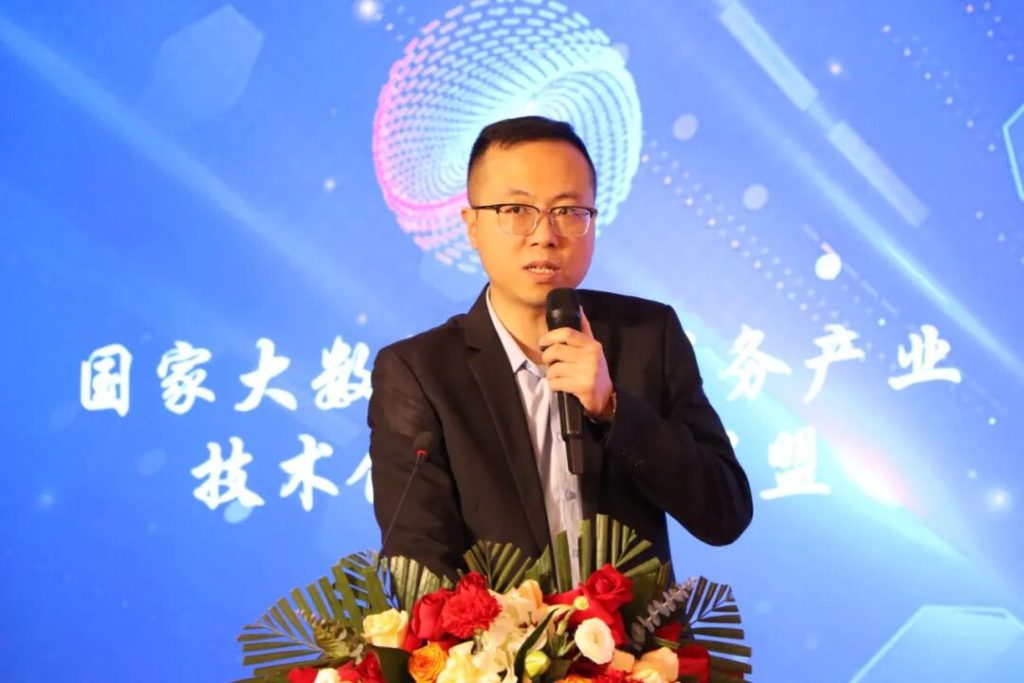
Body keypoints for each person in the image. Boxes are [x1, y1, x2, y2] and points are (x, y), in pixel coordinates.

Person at [368, 116, 752, 580]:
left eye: (568, 211)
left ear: (593, 220)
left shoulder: (649, 335)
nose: (544, 235)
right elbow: (418, 564)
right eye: (515, 209)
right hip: (496, 630)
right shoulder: (418, 373)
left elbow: (725, 514)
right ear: (472, 225)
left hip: (641, 630)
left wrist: (613, 410)